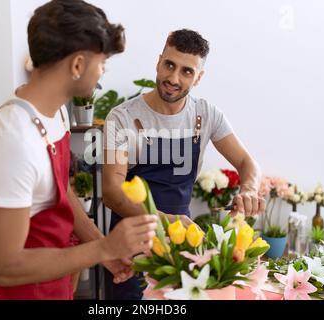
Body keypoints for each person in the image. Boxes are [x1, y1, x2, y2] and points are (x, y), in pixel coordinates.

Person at [0, 0, 157, 300]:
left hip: (53, 289)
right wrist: (103, 248)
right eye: (102, 62)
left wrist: (100, 246)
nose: (102, 72)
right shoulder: (11, 140)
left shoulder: (55, 113)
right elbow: (3, 266)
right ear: (78, 65)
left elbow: (59, 192)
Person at [102, 29, 266, 300]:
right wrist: (166, 221)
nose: (174, 78)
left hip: (182, 250)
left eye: (187, 71)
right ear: (158, 62)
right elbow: (111, 190)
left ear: (199, 77)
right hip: (130, 248)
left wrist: (249, 188)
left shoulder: (206, 115)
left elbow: (248, 163)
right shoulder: (122, 118)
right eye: (169, 65)